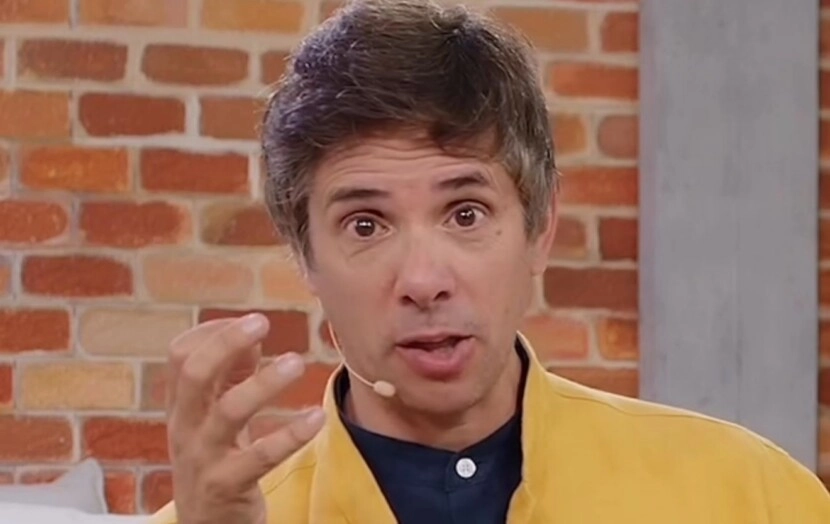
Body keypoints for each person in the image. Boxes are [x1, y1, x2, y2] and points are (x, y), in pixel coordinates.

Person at [150, 1, 830, 522]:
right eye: (366, 224)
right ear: (304, 255)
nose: (423, 282)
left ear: (540, 228)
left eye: (466, 213)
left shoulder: (747, 493)